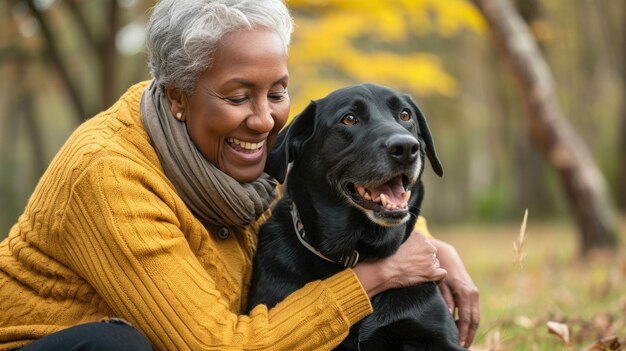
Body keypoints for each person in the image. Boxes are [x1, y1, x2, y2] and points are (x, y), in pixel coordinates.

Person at [0, 0, 479, 350]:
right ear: (177, 98)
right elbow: (212, 346)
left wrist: (430, 246)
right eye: (237, 96)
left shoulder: (232, 154)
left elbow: (333, 184)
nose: (264, 120)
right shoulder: (108, 176)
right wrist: (378, 276)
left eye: (277, 92)